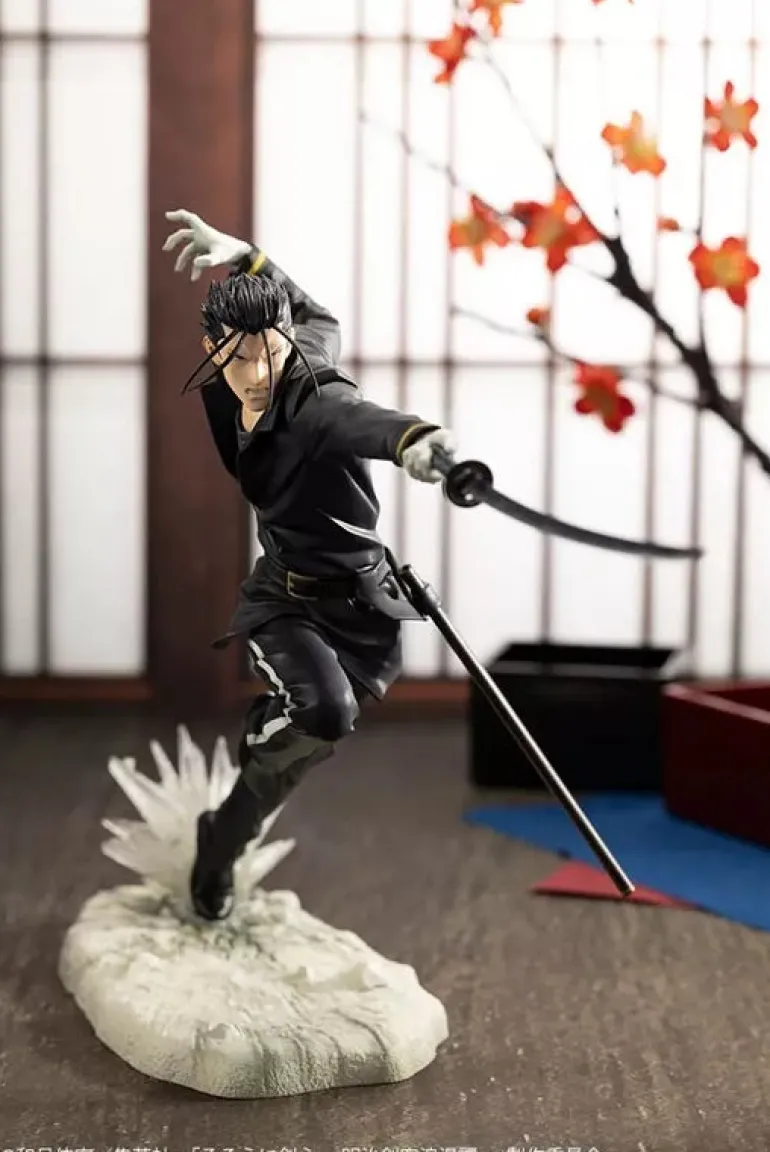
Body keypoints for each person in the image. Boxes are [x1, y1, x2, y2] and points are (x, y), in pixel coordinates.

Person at [162, 209, 457, 920]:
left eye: (270, 352)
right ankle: (272, 728)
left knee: (292, 763)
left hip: (356, 603)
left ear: (286, 341)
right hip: (285, 601)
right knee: (321, 716)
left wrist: (416, 442)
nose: (257, 373)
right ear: (212, 349)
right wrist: (248, 255)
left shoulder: (315, 398)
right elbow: (316, 311)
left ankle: (218, 844)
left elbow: (361, 419)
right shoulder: (228, 385)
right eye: (238, 358)